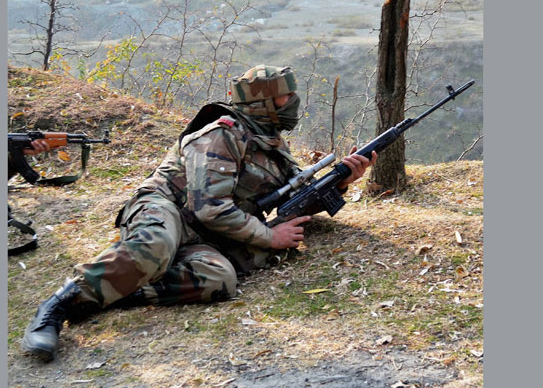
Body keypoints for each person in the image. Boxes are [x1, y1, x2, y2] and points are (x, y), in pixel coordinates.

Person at [21, 65, 377, 360]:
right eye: (286, 96)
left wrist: (341, 181)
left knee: (220, 280)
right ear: (263, 103)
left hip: (207, 233)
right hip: (167, 207)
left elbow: (293, 199)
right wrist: (269, 236)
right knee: (156, 245)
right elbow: (210, 208)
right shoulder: (221, 135)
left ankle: (111, 293)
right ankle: (57, 307)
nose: (293, 102)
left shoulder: (271, 142)